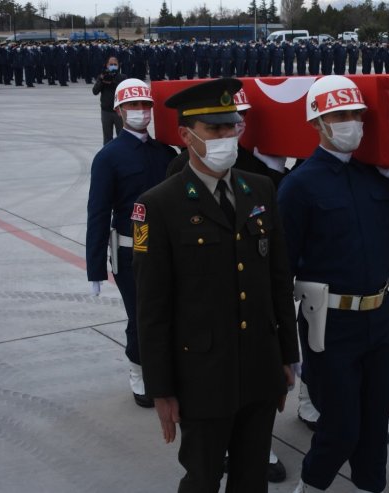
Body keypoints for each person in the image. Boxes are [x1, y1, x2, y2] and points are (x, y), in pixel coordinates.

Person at [133, 78, 299, 493]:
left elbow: (279, 281)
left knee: (252, 477)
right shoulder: (158, 205)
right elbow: (152, 308)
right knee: (203, 478)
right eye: (215, 129)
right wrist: (162, 389)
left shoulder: (259, 189)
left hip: (260, 368)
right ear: (187, 135)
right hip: (202, 376)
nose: (228, 137)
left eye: (232, 127)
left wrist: (285, 358)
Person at [278, 75, 389, 493]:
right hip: (328, 325)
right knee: (342, 428)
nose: (351, 123)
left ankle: (369, 486)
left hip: (379, 320)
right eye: (338, 116)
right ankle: (310, 486)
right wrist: (283, 347)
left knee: (374, 424)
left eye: (356, 115)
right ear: (317, 123)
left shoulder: (375, 176)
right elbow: (280, 270)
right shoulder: (299, 186)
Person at [86, 78, 176, 408]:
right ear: (119, 110)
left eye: (145, 105)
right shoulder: (108, 157)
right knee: (141, 317)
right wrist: (95, 267)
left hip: (168, 250)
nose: (140, 111)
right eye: (133, 106)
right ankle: (138, 370)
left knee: (170, 314)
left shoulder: (166, 152)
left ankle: (165, 371)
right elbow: (97, 212)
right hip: (130, 252)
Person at [92, 56, 127, 145]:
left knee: (122, 136)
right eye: (111, 64)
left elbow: (124, 92)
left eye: (115, 64)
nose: (113, 66)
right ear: (107, 65)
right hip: (106, 111)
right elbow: (95, 91)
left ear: (118, 65)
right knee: (107, 137)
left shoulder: (123, 77)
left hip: (119, 111)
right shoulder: (102, 76)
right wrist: (101, 81)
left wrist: (112, 82)